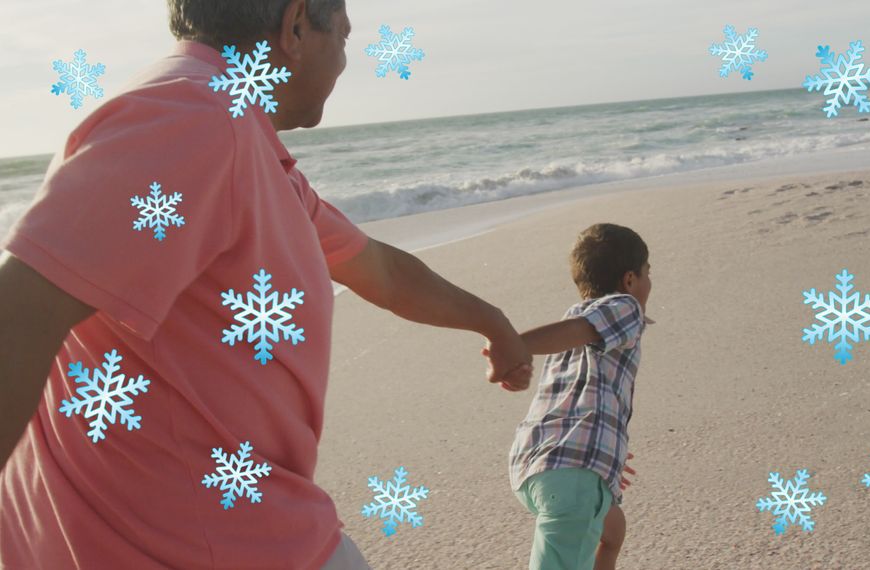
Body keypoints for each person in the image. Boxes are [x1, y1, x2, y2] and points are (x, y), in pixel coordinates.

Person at [0, 1, 532, 568]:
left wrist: (493, 323)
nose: (346, 62)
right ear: (296, 26)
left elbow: (381, 270)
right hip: (202, 541)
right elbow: (20, 310)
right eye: (345, 37)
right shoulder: (192, 115)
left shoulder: (242, 144)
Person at [506, 223, 651, 569]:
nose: (649, 283)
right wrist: (511, 346)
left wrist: (608, 456)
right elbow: (584, 331)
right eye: (648, 273)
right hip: (573, 471)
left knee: (612, 530)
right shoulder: (626, 307)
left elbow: (579, 393)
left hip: (538, 461)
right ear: (629, 279)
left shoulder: (572, 318)